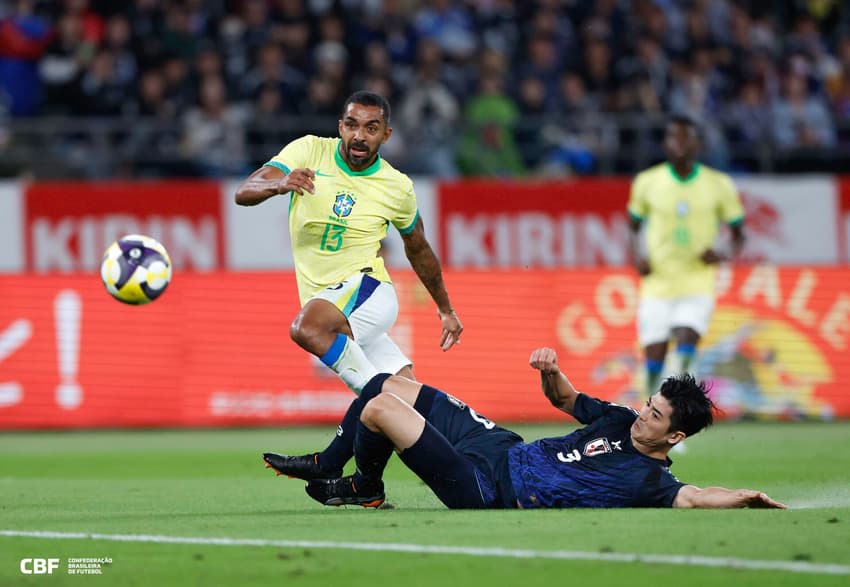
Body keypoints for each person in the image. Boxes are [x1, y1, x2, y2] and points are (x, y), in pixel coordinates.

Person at [237, 91, 462, 477]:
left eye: (371, 128)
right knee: (406, 397)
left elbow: (419, 248)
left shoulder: (396, 186)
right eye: (352, 125)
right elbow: (244, 192)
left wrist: (446, 309)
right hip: (334, 304)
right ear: (340, 126)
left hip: (368, 291)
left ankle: (331, 460)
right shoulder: (309, 151)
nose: (360, 135)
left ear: (386, 135)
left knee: (307, 328)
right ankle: (447, 467)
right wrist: (280, 184)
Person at [265, 347, 784, 510]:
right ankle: (339, 468)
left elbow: (696, 497)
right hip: (501, 447)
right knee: (386, 382)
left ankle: (363, 485)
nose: (642, 414)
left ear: (675, 437)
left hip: (486, 489)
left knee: (381, 408)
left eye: (654, 415)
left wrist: (744, 497)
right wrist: (551, 370)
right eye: (648, 404)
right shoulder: (619, 417)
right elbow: (564, 399)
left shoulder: (651, 481)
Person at [627, 113, 745, 395]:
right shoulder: (647, 182)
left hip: (697, 281)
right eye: (673, 136)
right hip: (658, 282)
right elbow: (632, 227)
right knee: (654, 355)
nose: (679, 142)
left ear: (697, 144)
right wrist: (637, 257)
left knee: (686, 337)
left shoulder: (719, 184)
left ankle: (680, 409)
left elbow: (739, 234)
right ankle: (651, 406)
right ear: (665, 143)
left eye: (685, 137)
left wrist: (721, 253)